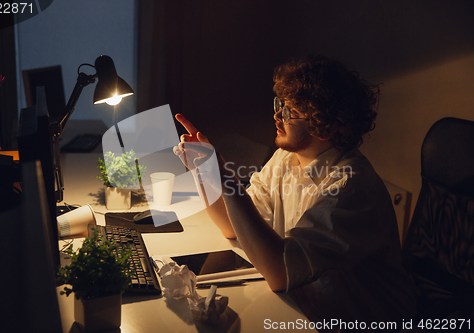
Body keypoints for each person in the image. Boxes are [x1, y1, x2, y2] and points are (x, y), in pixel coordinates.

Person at [173, 55, 416, 330]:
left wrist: (225, 177)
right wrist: (204, 171)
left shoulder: (352, 187)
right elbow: (234, 227)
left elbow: (280, 272)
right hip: (305, 309)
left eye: (291, 111)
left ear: (328, 126)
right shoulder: (285, 159)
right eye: (280, 105)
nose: (278, 115)